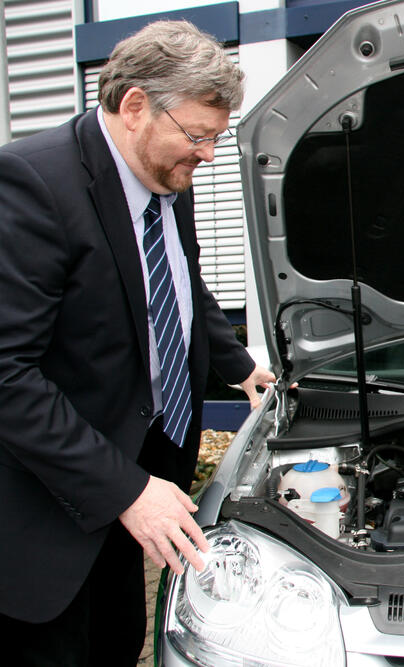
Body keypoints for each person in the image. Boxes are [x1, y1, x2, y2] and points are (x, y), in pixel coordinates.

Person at [0, 20, 275, 664]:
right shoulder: (30, 185)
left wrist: (241, 368)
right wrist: (125, 489)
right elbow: (6, 374)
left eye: (217, 137)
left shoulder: (162, 177)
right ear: (133, 107)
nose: (207, 154)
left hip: (140, 489)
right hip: (51, 514)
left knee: (119, 646)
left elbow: (180, 291)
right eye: (198, 135)